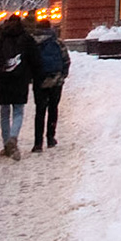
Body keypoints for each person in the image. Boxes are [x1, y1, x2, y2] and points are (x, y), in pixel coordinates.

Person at [0, 14, 41, 161]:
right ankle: (13, 138)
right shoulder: (27, 38)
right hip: (20, 80)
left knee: (4, 113)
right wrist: (36, 81)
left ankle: (6, 143)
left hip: (2, 80)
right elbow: (36, 61)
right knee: (18, 111)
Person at [32, 22, 70, 151]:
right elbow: (66, 59)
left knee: (40, 110)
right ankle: (50, 138)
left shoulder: (32, 42)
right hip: (56, 79)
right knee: (53, 108)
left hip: (39, 80)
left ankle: (38, 143)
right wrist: (62, 75)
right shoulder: (58, 42)